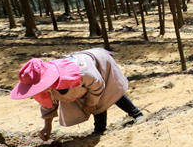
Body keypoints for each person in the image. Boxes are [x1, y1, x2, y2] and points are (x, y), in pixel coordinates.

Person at [10, 48, 143, 139]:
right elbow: (48, 104)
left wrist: (91, 103)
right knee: (95, 99)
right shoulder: (43, 89)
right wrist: (47, 125)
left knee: (110, 94)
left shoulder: (82, 71)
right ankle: (100, 129)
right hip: (89, 83)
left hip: (100, 63)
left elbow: (97, 86)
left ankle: (136, 115)